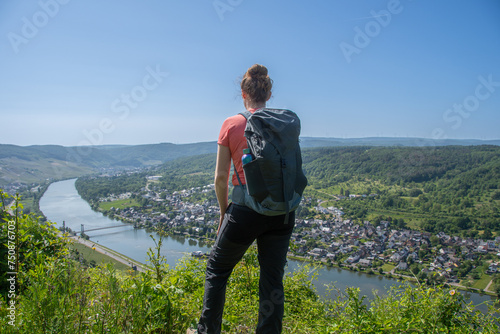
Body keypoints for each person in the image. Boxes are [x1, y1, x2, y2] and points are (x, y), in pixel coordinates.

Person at [197, 64, 298, 333]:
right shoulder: (284, 123)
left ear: (243, 93)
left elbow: (220, 178)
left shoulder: (232, 124)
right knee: (272, 281)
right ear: (269, 93)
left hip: (245, 211)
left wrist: (223, 212)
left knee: (217, 271)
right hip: (282, 211)